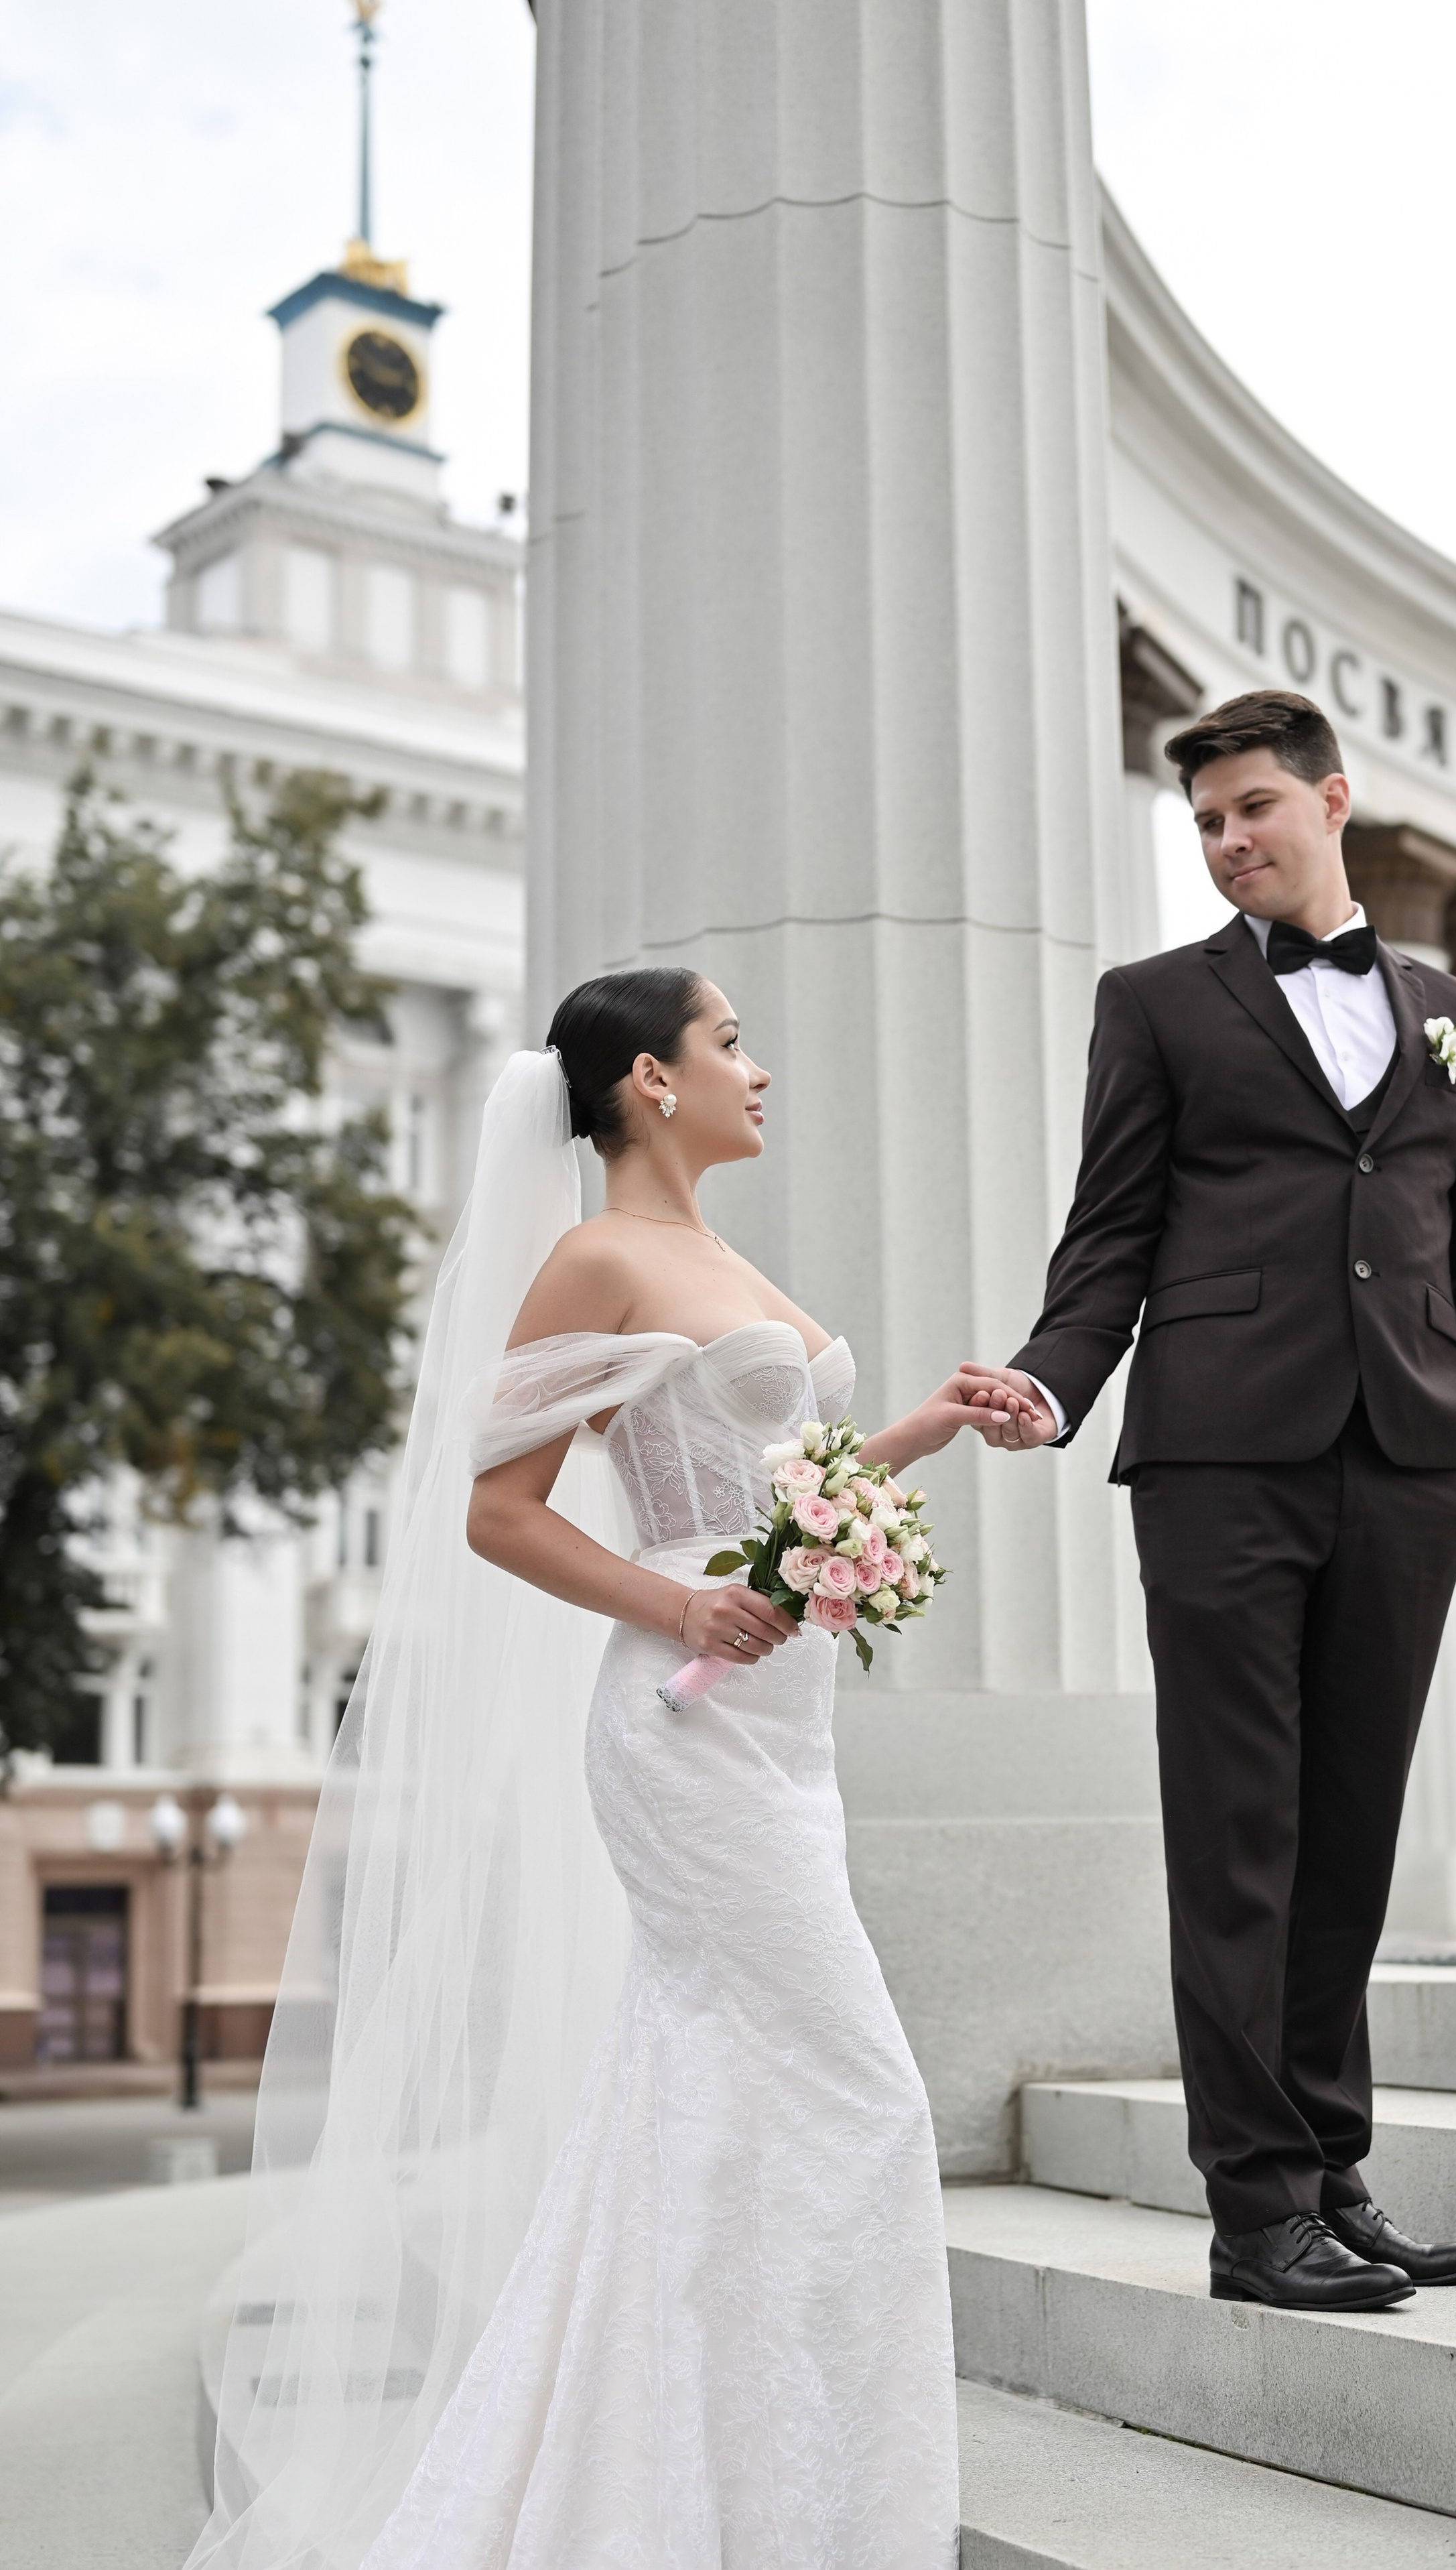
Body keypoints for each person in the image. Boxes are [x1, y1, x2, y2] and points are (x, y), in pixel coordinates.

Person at [189, 967, 1035, 2570]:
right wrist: (679, 1600)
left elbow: (784, 1489)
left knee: (709, 2105)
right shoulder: (594, 1257)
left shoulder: (718, 1256)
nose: (759, 1069)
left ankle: (689, 2489)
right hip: (684, 1723)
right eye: (732, 1043)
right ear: (649, 1079)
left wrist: (923, 1427)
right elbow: (495, 1509)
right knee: (860, 2101)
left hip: (786, 1731)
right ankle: (810, 2509)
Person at [969, 690, 1456, 2312]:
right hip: (1218, 1463)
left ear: (1330, 800)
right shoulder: (1152, 1004)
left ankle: (1330, 2176)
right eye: (1203, 822)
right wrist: (1053, 1379)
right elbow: (1110, 1236)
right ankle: (1251, 2214)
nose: (1224, 844)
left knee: (1348, 1832)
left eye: (1250, 811)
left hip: (1411, 1467)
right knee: (1238, 1835)